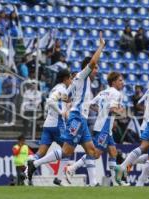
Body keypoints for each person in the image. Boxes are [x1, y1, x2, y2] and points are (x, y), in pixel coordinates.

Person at [26, 32, 105, 183]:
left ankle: (91, 182)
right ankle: (34, 164)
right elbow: (93, 62)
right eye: (95, 69)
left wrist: (73, 103)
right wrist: (101, 46)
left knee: (92, 151)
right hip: (78, 117)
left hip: (81, 117)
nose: (96, 70)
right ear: (88, 68)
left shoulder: (78, 81)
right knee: (67, 151)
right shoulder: (82, 76)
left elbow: (67, 97)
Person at [64, 72, 128, 186]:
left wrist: (100, 112)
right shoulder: (117, 94)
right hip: (104, 127)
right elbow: (113, 109)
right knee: (95, 153)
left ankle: (116, 182)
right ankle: (72, 168)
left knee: (113, 152)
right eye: (120, 80)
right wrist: (122, 113)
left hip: (102, 125)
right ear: (114, 82)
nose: (122, 83)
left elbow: (91, 104)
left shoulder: (103, 92)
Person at [30, 69, 72, 186]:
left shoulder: (55, 88)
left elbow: (59, 102)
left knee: (41, 152)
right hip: (57, 125)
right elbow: (50, 101)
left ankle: (27, 169)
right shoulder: (61, 89)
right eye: (70, 78)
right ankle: (58, 178)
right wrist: (61, 112)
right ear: (65, 79)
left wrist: (67, 106)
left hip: (48, 124)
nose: (71, 81)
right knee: (68, 150)